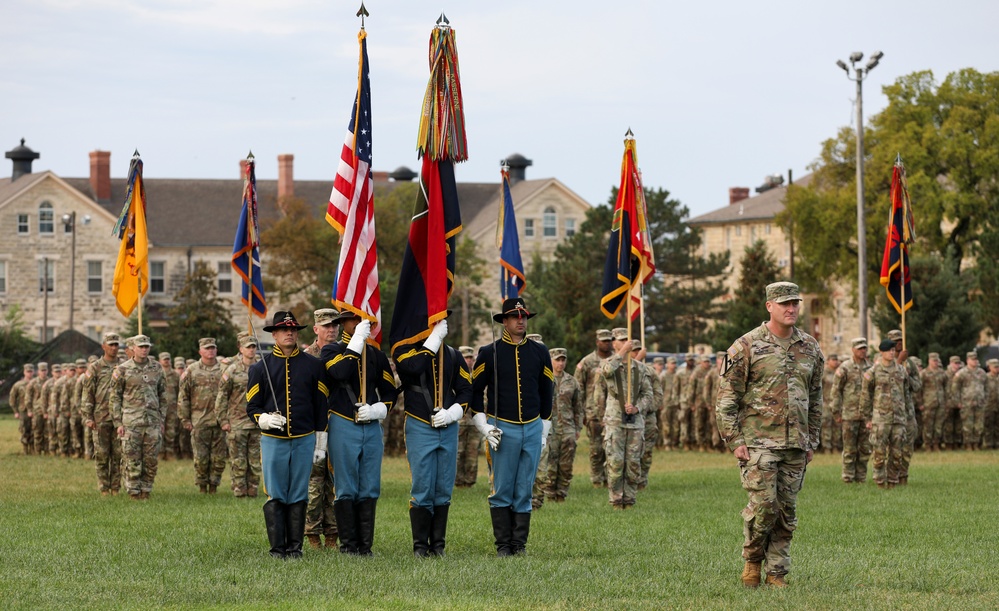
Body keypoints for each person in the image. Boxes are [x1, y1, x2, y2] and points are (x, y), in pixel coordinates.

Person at [716, 282, 823, 589]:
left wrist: (812, 440)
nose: (791, 309)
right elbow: (726, 398)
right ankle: (752, 562)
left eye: (795, 304)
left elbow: (815, 398)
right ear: (770, 307)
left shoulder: (810, 347)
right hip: (758, 444)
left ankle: (777, 572)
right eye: (784, 304)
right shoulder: (747, 346)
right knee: (764, 508)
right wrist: (734, 441)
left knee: (786, 512)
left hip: (796, 444)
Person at [471, 297, 554, 556]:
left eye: (524, 316)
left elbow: (547, 391)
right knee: (502, 488)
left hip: (531, 427)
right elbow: (474, 393)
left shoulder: (540, 351)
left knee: (524, 489)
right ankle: (503, 546)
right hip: (502, 428)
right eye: (515, 317)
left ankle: (519, 545)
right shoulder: (489, 352)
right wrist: (484, 426)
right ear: (504, 321)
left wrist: (543, 428)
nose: (521, 320)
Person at [247, 311, 329, 559]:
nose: (290, 333)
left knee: (299, 493)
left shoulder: (313, 366)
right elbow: (252, 407)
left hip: (304, 439)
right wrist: (264, 419)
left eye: (293, 329)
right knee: (276, 493)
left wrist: (320, 443)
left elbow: (321, 406)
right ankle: (277, 548)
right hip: (274, 441)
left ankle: (295, 548)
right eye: (284, 329)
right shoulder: (260, 368)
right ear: (274, 334)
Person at [393, 316, 472, 557]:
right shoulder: (407, 351)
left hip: (447, 427)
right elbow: (412, 368)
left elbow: (466, 389)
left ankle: (438, 546)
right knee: (423, 486)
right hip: (419, 425)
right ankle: (420, 547)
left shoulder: (453, 355)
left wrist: (453, 413)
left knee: (443, 487)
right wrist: (433, 341)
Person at [322, 311, 399, 556]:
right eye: (353, 320)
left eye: (364, 320)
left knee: (370, 486)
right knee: (345, 487)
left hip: (370, 426)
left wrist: (377, 409)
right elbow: (340, 373)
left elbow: (389, 392)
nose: (360, 324)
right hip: (343, 422)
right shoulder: (331, 351)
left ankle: (365, 546)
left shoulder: (376, 355)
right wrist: (356, 342)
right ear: (343, 323)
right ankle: (348, 546)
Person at [596, 330, 653, 509]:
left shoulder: (640, 368)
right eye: (621, 340)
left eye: (627, 339)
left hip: (635, 421)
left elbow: (648, 394)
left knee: (634, 462)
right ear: (614, 344)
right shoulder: (608, 363)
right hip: (615, 421)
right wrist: (621, 353)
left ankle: (629, 500)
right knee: (615, 462)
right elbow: (606, 371)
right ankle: (616, 500)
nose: (625, 342)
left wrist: (638, 407)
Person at [109, 334, 167, 500]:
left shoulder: (156, 368)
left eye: (146, 346)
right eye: (140, 347)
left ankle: (146, 490)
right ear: (132, 348)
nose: (144, 349)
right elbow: (115, 397)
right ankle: (134, 492)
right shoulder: (122, 370)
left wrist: (161, 419)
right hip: (131, 422)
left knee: (150, 460)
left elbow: (163, 395)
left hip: (152, 422)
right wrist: (118, 422)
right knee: (132, 459)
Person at [302, 308, 340, 549]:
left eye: (335, 325)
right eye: (326, 326)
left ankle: (333, 533)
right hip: (315, 426)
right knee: (315, 481)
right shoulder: (306, 358)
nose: (332, 329)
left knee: (336, 481)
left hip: (339, 425)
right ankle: (312, 533)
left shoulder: (344, 353)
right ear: (316, 329)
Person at [216, 334, 262, 497]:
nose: (251, 350)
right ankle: (240, 489)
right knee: (238, 459)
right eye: (248, 347)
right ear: (240, 349)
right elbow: (222, 396)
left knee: (255, 460)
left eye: (253, 347)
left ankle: (253, 488)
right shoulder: (232, 370)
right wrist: (223, 420)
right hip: (237, 422)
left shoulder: (262, 368)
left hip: (257, 422)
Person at [179, 338, 226, 493]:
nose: (210, 351)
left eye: (212, 348)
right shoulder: (192, 370)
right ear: (200, 351)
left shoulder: (224, 369)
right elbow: (184, 396)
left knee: (218, 458)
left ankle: (214, 486)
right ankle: (202, 487)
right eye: (207, 348)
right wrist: (185, 419)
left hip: (220, 420)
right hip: (199, 420)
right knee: (201, 458)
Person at [540, 347, 584, 503]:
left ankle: (562, 494)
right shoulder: (543, 378)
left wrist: (578, 428)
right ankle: (550, 494)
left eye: (562, 360)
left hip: (567, 428)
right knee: (550, 463)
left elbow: (578, 407)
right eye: (557, 360)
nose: (560, 363)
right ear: (551, 360)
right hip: (549, 428)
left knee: (566, 464)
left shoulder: (572, 381)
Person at [862, 339, 908, 489]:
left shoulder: (901, 370)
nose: (892, 353)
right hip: (880, 419)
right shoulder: (873, 372)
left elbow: (906, 393)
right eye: (889, 350)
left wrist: (906, 413)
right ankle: (880, 482)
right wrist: (867, 417)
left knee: (897, 453)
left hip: (898, 418)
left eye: (894, 350)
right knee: (879, 453)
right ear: (881, 352)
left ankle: (893, 481)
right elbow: (866, 396)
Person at [82, 333, 124, 496]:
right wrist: (88, 417)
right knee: (101, 454)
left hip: (120, 418)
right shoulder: (95, 367)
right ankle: (104, 488)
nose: (114, 347)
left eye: (116, 344)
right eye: (111, 344)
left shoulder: (124, 366)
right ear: (103, 346)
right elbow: (87, 393)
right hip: (101, 418)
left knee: (119, 455)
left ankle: (116, 487)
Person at [575, 329, 613, 487]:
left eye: (609, 340)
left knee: (611, 448)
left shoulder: (615, 361)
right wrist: (581, 412)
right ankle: (597, 479)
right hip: (593, 412)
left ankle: (611, 478)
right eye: (603, 341)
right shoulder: (587, 362)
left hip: (612, 411)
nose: (606, 343)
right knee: (596, 448)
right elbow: (579, 388)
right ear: (597, 342)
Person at [834, 338, 872, 483]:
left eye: (864, 348)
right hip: (849, 414)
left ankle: (861, 477)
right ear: (853, 350)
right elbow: (836, 391)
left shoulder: (871, 368)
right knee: (850, 449)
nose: (863, 351)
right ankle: (848, 478)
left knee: (864, 449)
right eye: (860, 348)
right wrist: (836, 411)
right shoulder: (845, 368)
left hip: (866, 416)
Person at [634, 341, 661, 488]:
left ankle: (642, 480)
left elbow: (658, 393)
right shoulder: (623, 370)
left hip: (648, 417)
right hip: (631, 417)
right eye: (633, 351)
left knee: (647, 451)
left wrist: (648, 408)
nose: (636, 353)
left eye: (638, 350)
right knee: (631, 451)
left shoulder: (650, 371)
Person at [454, 345, 482, 487]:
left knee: (473, 452)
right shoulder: (455, 374)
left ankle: (469, 481)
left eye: (471, 358)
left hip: (474, 421)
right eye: (466, 357)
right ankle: (456, 480)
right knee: (458, 452)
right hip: (459, 421)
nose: (469, 361)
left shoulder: (477, 376)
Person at [952, 351, 987, 450]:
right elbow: (955, 388)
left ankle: (976, 444)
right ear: (967, 360)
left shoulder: (982, 373)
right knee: (967, 425)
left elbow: (986, 387)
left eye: (976, 359)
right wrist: (957, 401)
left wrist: (985, 399)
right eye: (973, 359)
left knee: (978, 425)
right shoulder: (961, 373)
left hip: (980, 402)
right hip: (966, 402)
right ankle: (968, 444)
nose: (975, 361)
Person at [920, 353, 948, 451]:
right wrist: (920, 403)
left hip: (940, 402)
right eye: (934, 360)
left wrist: (946, 401)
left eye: (937, 361)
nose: (936, 362)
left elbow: (946, 387)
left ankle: (936, 444)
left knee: (938, 425)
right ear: (929, 361)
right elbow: (919, 389)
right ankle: (928, 445)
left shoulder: (942, 373)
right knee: (928, 425)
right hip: (928, 402)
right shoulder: (924, 373)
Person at [158, 352, 181, 461]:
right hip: (159, 407)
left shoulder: (176, 375)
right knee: (159, 430)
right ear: (160, 361)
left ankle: (170, 452)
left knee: (171, 431)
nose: (166, 361)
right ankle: (161, 452)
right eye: (164, 359)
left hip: (172, 407)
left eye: (167, 359)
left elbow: (179, 391)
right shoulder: (157, 373)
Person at [10, 364, 35, 455]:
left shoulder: (35, 383)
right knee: (24, 429)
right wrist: (15, 411)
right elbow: (12, 399)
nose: (30, 373)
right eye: (28, 372)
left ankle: (33, 448)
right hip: (23, 410)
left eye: (31, 371)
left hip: (34, 409)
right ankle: (25, 448)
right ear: (24, 372)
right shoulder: (18, 385)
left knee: (34, 429)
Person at [820, 354, 841, 453]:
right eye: (833, 360)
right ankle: (827, 447)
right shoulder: (823, 373)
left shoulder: (840, 372)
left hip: (837, 404)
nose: (835, 361)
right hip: (826, 403)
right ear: (828, 361)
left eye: (836, 360)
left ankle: (836, 446)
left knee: (837, 426)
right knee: (826, 425)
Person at [676, 352, 697, 450]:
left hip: (695, 401)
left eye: (692, 360)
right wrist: (677, 401)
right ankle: (684, 442)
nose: (691, 362)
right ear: (686, 360)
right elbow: (676, 388)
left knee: (693, 423)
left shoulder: (696, 372)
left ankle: (692, 442)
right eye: (689, 360)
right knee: (684, 422)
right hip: (683, 400)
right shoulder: (680, 373)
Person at [173, 356, 193, 459]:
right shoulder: (174, 377)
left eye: (182, 368)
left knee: (186, 433)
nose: (180, 370)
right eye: (178, 368)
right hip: (174, 409)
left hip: (187, 409)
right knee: (176, 432)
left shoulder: (187, 378)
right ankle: (177, 453)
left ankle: (188, 453)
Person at [660, 356, 679, 451]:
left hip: (675, 403)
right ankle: (667, 443)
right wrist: (660, 403)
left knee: (675, 425)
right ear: (667, 364)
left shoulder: (677, 375)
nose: (673, 365)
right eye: (672, 363)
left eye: (674, 363)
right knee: (666, 424)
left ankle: (674, 443)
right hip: (666, 403)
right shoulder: (663, 376)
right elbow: (659, 390)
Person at [984, 359, 999, 449]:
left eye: (998, 367)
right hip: (988, 405)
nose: (997, 369)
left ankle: (997, 443)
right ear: (989, 367)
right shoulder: (985, 378)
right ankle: (989, 444)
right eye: (995, 367)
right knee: (989, 425)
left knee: (997, 426)